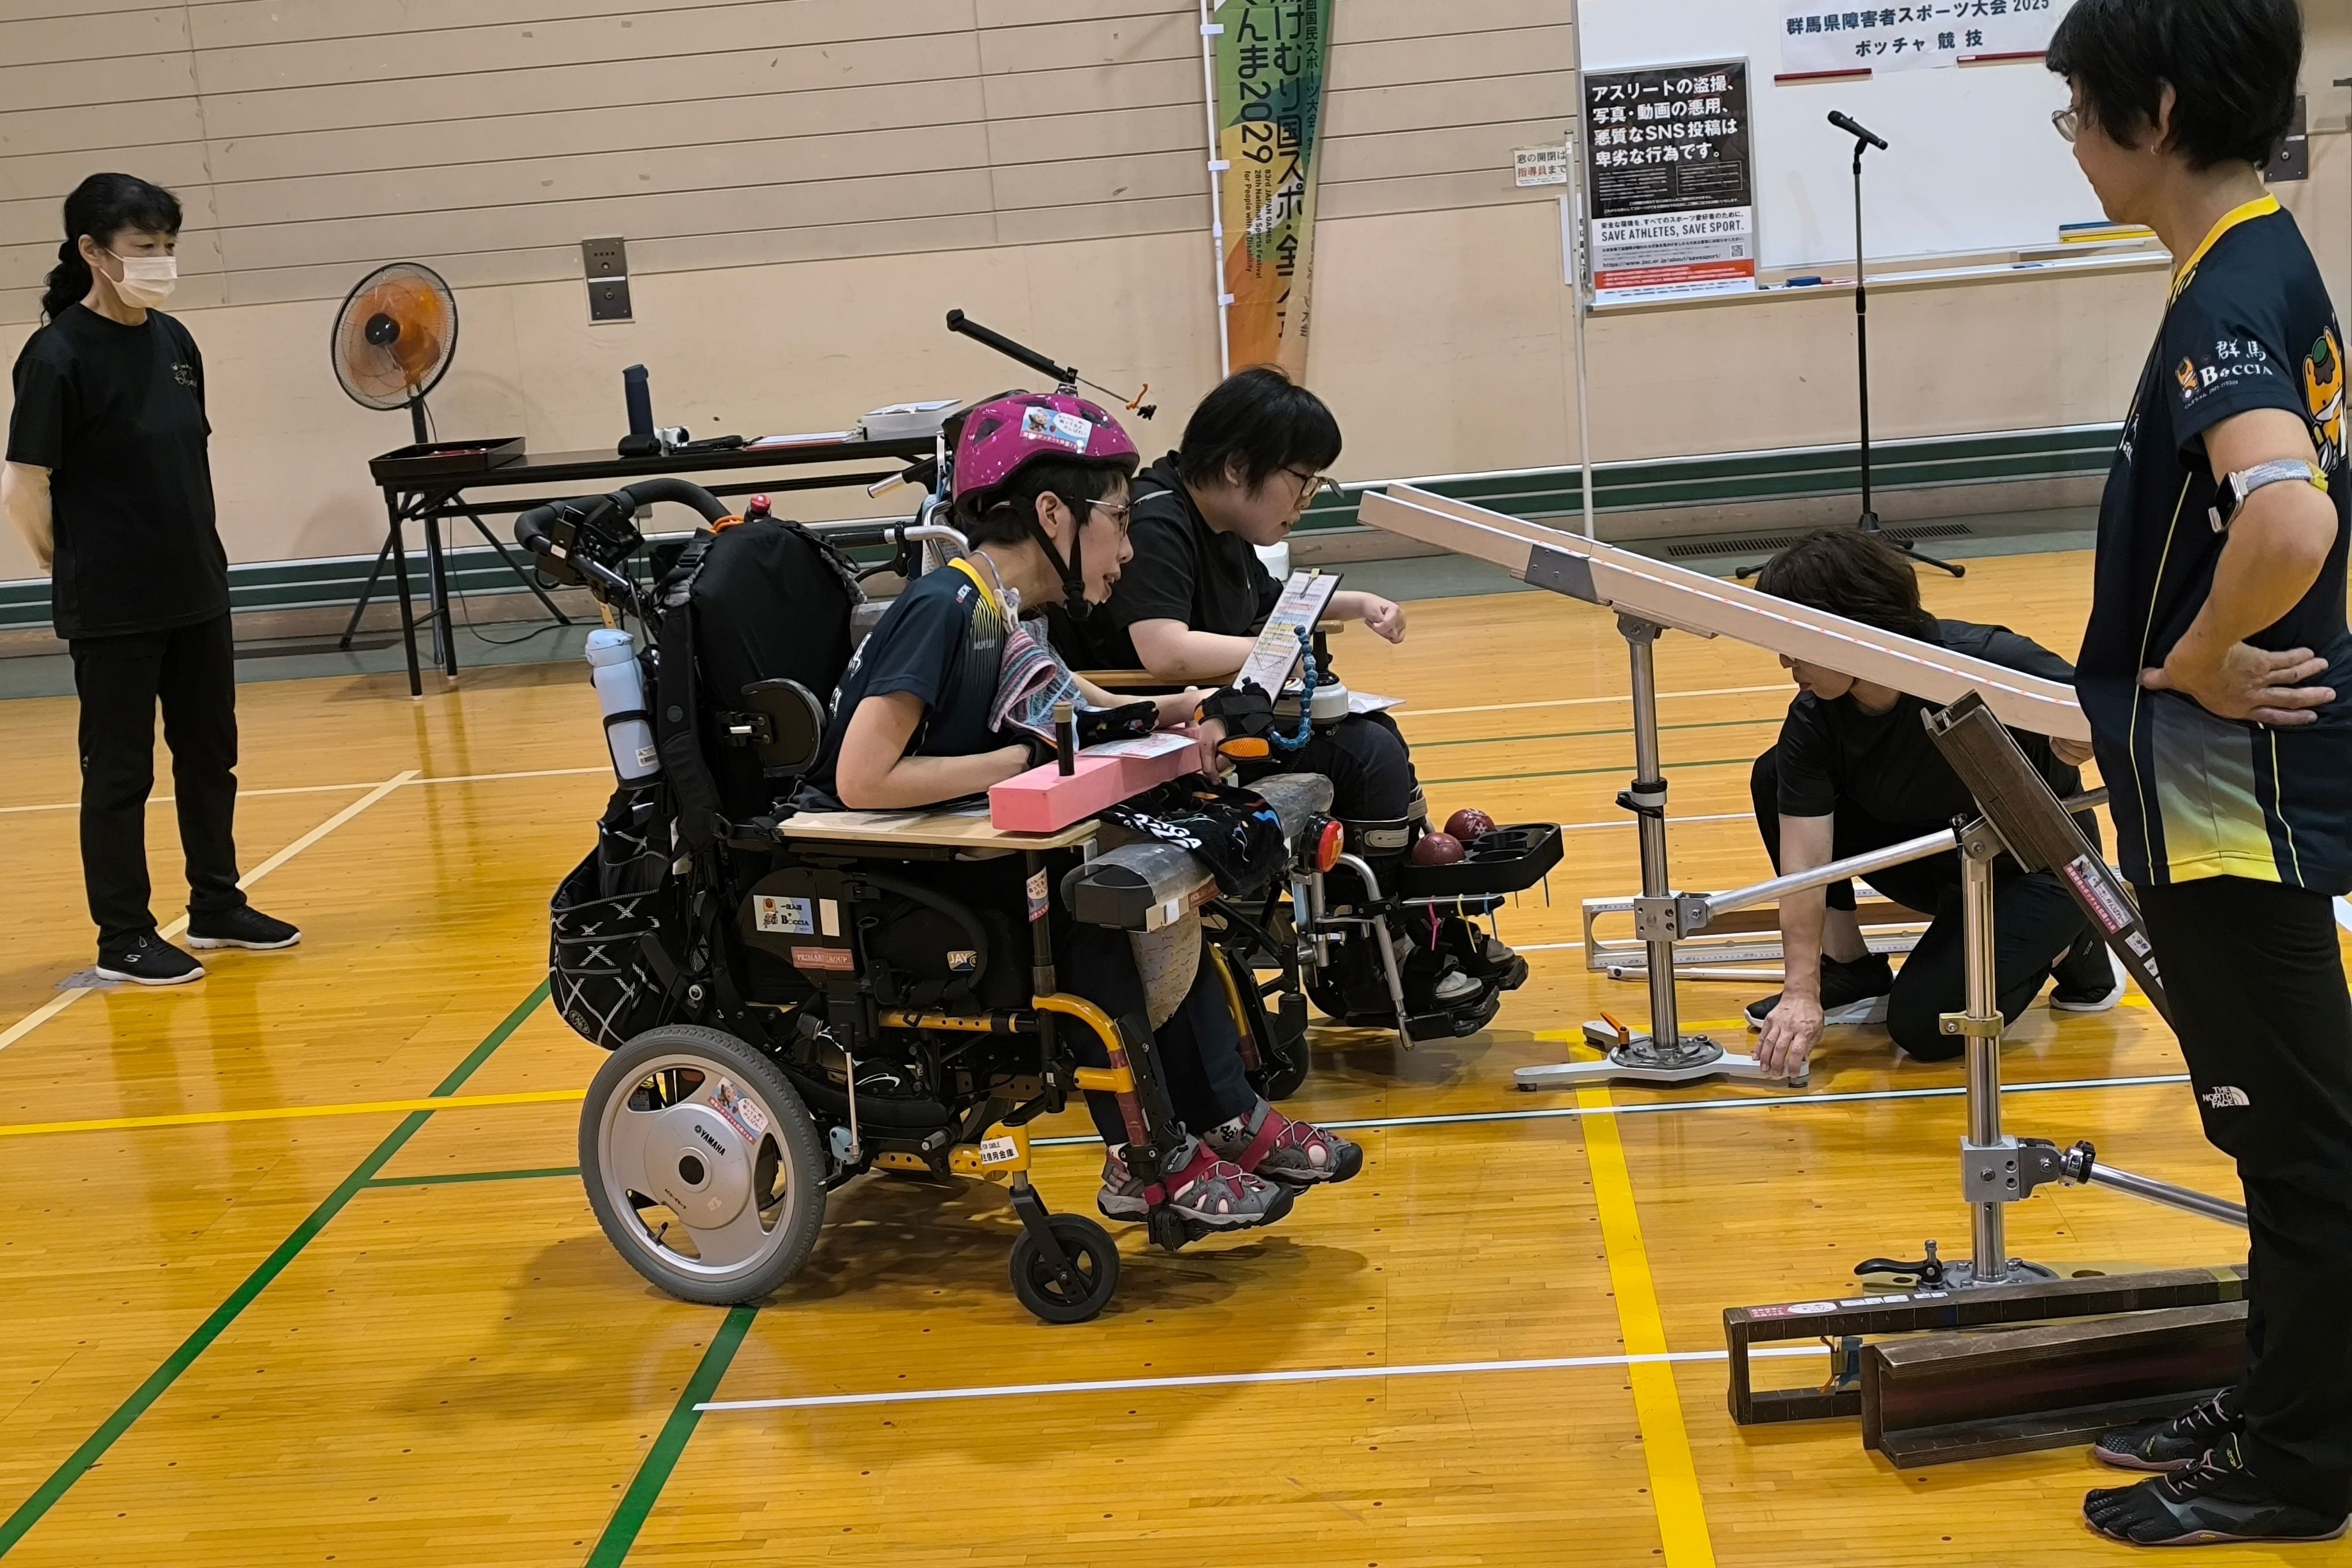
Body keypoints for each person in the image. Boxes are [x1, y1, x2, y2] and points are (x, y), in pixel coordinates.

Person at [2043, 0, 2352, 1547]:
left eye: (2075, 113)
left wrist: (2199, 658)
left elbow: (2290, 522)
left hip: (2229, 796)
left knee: (2300, 1147)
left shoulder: (2226, 295)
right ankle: (2278, 1402)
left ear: (2150, 111)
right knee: (2272, 1131)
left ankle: (2300, 1470)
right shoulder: (2255, 261)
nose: (2074, 142)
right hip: (2229, 794)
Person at [801, 390, 1363, 1235]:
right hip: (900, 881)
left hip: (962, 858)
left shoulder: (1000, 608)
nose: (1129, 550)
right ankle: (1148, 1164)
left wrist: (1186, 708)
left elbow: (1080, 705)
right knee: (1100, 918)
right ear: (1053, 514)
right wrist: (1020, 761)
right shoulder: (943, 608)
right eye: (1120, 522)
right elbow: (862, 778)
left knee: (1172, 902)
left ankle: (1225, 1119)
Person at [1048, 366, 1523, 1032]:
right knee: (1363, 753)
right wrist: (1275, 656)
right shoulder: (1159, 523)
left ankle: (1416, 934)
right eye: (1303, 479)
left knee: (1372, 736)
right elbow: (1164, 649)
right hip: (1165, 735)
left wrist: (1356, 604)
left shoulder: (1221, 529)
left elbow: (1271, 612)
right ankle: (1376, 964)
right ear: (1241, 467)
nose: (1307, 498)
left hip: (1207, 720)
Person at [2, 173, 298, 986]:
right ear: (93, 252)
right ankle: (123, 937)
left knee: (210, 757)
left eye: (168, 247)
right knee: (121, 773)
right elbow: (25, 486)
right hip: (113, 604)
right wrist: (70, 566)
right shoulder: (55, 355)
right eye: (144, 249)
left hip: (196, 588)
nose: (161, 262)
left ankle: (216, 904)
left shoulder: (174, 342)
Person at [1744, 530, 2119, 1077]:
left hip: (2039, 869)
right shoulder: (1816, 716)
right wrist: (1801, 991)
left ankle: (2070, 945)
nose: (1783, 661)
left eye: (1795, 644)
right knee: (1775, 772)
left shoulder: (1987, 661)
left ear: (1850, 630)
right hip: (1941, 859)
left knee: (1924, 1027)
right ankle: (1849, 968)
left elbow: (2110, 712)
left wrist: (2084, 736)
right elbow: (1804, 868)